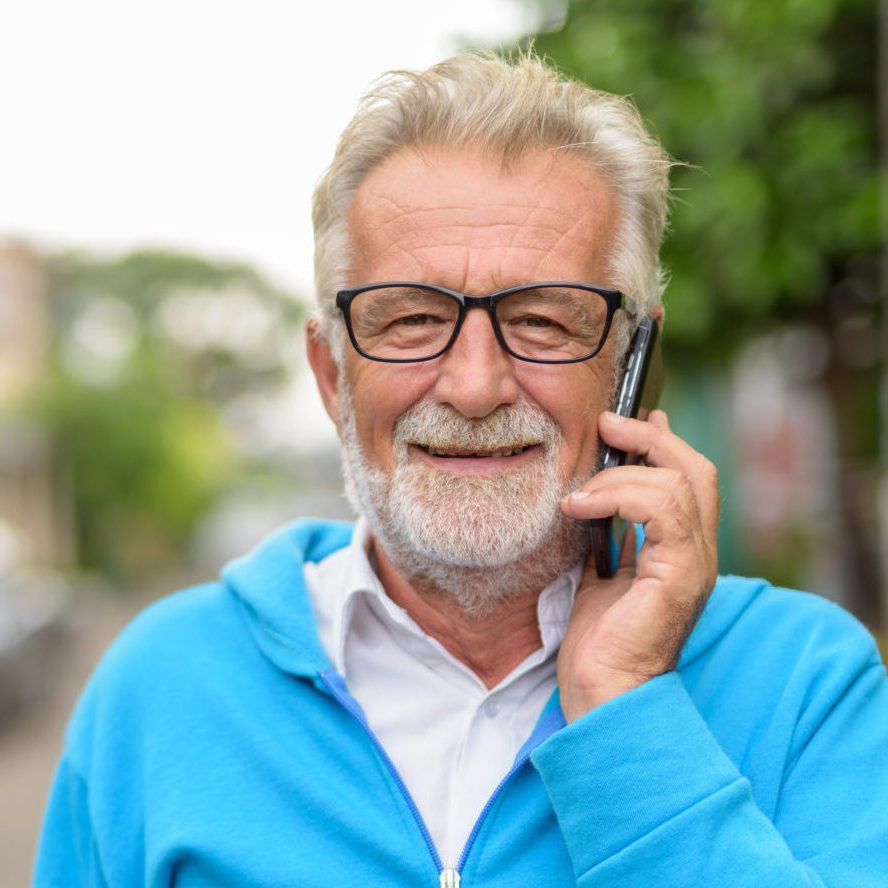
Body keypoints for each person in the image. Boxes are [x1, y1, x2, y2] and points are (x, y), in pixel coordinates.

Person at [37, 52, 888, 887]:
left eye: (544, 320)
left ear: (636, 364)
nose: (475, 386)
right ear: (333, 376)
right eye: (408, 318)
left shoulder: (808, 683)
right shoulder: (158, 688)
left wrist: (626, 710)